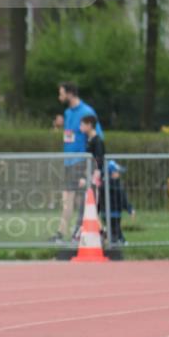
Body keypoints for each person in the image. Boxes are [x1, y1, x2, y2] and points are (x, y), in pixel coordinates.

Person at [52, 81, 104, 244]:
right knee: (68, 199)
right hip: (68, 161)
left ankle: (78, 233)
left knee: (82, 200)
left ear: (70, 93)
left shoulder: (87, 111)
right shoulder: (67, 112)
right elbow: (71, 135)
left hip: (81, 161)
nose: (59, 96)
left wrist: (93, 163)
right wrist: (60, 126)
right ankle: (63, 234)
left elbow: (97, 136)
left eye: (61, 93)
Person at [79, 112, 106, 212]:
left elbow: (99, 160)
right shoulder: (89, 140)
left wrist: (92, 177)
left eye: (82, 125)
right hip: (89, 175)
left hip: (95, 178)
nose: (80, 127)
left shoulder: (97, 141)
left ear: (89, 125)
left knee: (95, 201)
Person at [104, 160, 134, 245]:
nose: (119, 174)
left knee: (114, 228)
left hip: (106, 212)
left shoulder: (104, 183)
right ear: (112, 173)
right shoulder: (116, 185)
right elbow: (122, 199)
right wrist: (130, 209)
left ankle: (120, 240)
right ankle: (117, 241)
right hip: (114, 212)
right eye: (117, 172)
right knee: (114, 228)